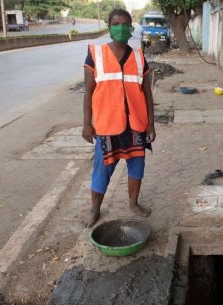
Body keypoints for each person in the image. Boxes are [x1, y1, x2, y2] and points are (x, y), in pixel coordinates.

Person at [82, 8, 155, 227]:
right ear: (109, 27)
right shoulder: (95, 54)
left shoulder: (140, 57)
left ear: (131, 28)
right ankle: (95, 208)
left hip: (135, 124)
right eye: (116, 23)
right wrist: (87, 123)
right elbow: (88, 92)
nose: (121, 27)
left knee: (137, 165)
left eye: (125, 24)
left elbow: (147, 93)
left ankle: (133, 203)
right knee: (102, 168)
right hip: (106, 124)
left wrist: (151, 124)